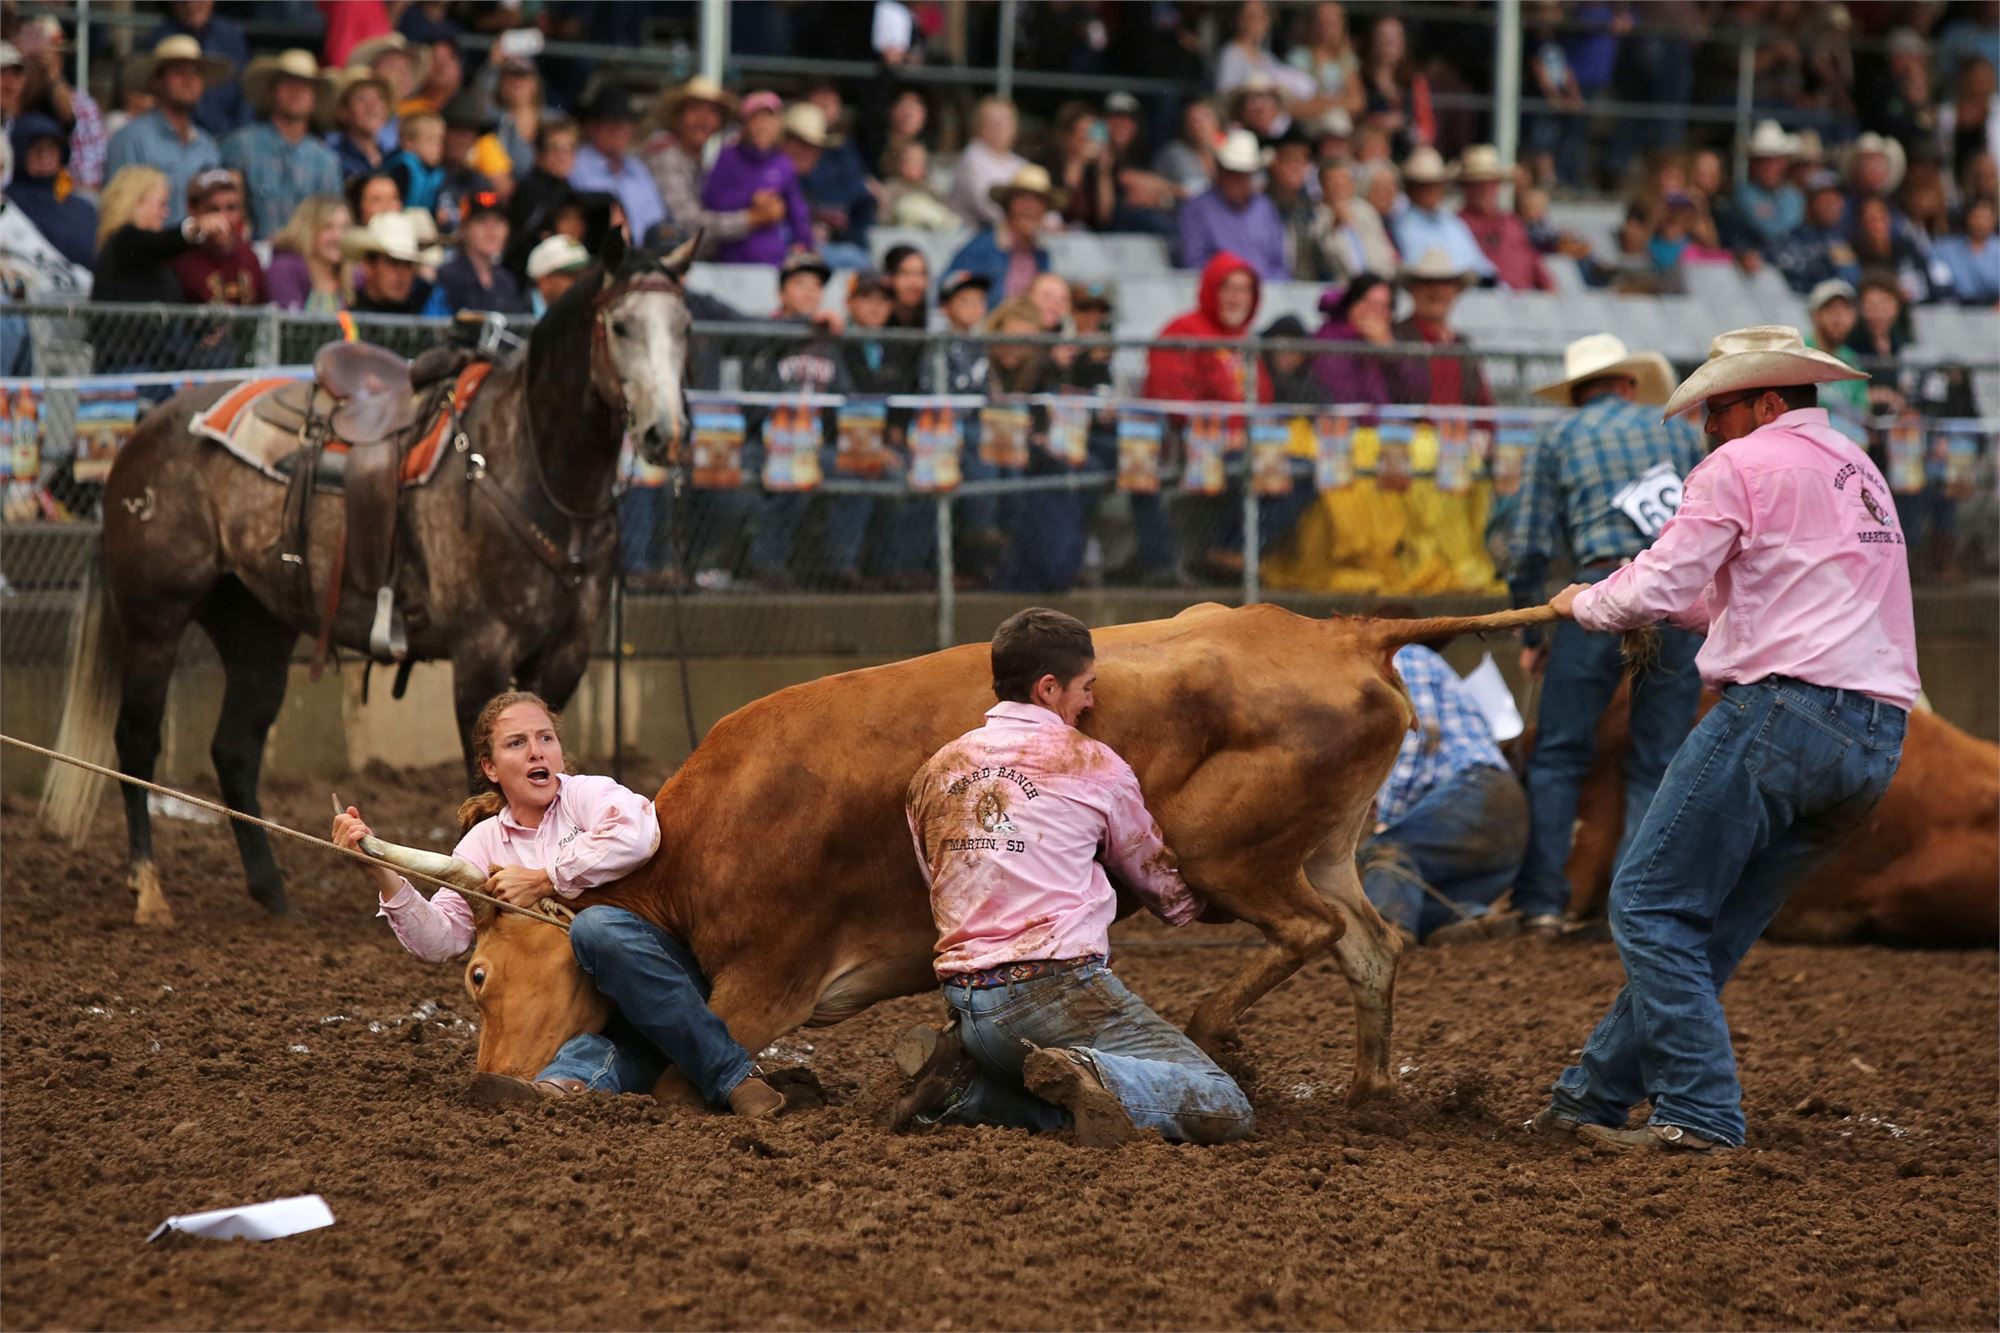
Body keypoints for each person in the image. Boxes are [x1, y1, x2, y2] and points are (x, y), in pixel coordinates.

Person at [1527, 326, 1912, 1154]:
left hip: (1783, 713)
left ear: (1767, 401)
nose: (1707, 425)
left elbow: (1665, 579)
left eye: (1719, 407)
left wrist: (1584, 603)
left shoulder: (1741, 464)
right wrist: (1640, 598)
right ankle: (1592, 1097)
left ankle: (1700, 1112)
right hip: (1875, 736)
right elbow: (1738, 592)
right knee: (1705, 924)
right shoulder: (1858, 469)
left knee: (1648, 902)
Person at [893, 608, 1254, 1145]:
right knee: (1226, 1104)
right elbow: (1154, 875)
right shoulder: (1093, 764)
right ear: (1048, 688)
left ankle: (963, 1095)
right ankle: (1085, 1067)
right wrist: (1201, 904)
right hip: (1055, 993)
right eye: (1086, 687)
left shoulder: (936, 771)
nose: (1091, 702)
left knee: (1077, 1104)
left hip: (969, 1002)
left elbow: (937, 877)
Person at [333, 690, 785, 1117]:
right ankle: (558, 1087)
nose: (537, 752)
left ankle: (732, 1077)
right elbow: (441, 941)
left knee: (596, 929)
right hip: (592, 1012)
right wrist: (379, 870)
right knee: (585, 1052)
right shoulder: (484, 842)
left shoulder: (586, 796)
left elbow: (638, 834)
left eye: (545, 738)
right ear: (491, 768)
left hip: (663, 978)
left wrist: (545, 879)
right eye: (517, 743)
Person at [1506, 333, 1703, 937]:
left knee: (1559, 754)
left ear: (1576, 394)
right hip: (1672, 592)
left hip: (1599, 591)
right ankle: (1632, 906)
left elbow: (1528, 545)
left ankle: (1543, 901)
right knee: (1657, 759)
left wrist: (1531, 633)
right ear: (1627, 384)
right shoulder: (1677, 432)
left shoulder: (1558, 438)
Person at [1360, 637, 1526, 946]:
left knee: (1386, 851)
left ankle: (1384, 935)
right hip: (1504, 810)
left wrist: (1388, 823)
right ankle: (1467, 917)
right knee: (1410, 895)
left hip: (1476, 790)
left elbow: (1420, 734)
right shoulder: (1441, 675)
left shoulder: (1403, 656)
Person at [740, 251, 856, 589]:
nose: (809, 292)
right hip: (766, 441)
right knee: (791, 467)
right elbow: (753, 405)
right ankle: (768, 564)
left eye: (816, 286)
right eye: (800, 283)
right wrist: (805, 326)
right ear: (781, 292)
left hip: (817, 443)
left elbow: (845, 397)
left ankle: (840, 567)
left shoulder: (827, 340)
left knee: (860, 468)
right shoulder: (763, 331)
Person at [641, 77, 772, 260]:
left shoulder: (698, 159)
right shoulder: (667, 156)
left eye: (712, 111)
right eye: (695, 109)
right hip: (666, 262)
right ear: (678, 115)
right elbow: (687, 223)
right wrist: (752, 218)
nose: (704, 119)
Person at [104, 37, 227, 224]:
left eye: (196, 73)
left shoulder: (207, 145)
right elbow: (119, 214)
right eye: (179, 73)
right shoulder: (131, 139)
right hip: (150, 243)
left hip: (198, 242)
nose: (189, 81)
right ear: (157, 81)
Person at [222, 50, 343, 241]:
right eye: (288, 83)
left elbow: (333, 221)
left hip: (307, 257)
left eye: (305, 86)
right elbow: (226, 211)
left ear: (314, 98)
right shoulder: (240, 145)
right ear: (270, 91)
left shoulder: (327, 159)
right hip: (254, 253)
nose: (296, 91)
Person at [703, 91, 813, 267]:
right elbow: (712, 199)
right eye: (756, 119)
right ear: (745, 125)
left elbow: (796, 208)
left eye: (769, 119)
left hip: (775, 259)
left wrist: (804, 243)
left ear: (778, 125)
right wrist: (750, 199)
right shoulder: (728, 157)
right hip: (732, 259)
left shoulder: (782, 162)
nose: (763, 126)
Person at [90, 164, 223, 306]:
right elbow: (158, 243)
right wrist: (195, 228)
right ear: (135, 203)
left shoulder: (153, 253)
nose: (166, 212)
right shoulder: (123, 241)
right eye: (161, 204)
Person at [1176, 130, 1286, 280]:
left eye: (1244, 172)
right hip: (1220, 290)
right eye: (1232, 171)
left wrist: (1265, 287)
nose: (1238, 178)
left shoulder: (1265, 208)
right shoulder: (1195, 210)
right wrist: (1235, 284)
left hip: (1267, 289)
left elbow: (1279, 264)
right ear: (1220, 172)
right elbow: (1193, 263)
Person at [943, 164, 1057, 310]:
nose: (1030, 207)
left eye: (1038, 201)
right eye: (1022, 199)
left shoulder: (1042, 256)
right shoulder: (981, 247)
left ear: (1045, 211)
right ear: (1008, 204)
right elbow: (947, 289)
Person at [1390, 248, 1493, 408]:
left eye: (1445, 284)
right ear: (1413, 290)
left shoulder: (1462, 344)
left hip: (1462, 424)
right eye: (1427, 283)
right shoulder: (1394, 337)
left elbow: (1483, 401)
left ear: (1456, 292)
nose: (1436, 291)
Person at [568, 85, 665, 244]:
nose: (618, 131)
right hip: (598, 251)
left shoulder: (637, 168)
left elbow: (658, 219)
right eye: (610, 123)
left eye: (624, 124)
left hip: (647, 252)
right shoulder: (575, 164)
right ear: (591, 127)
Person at [797, 83, 876, 268]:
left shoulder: (844, 146)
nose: (826, 107)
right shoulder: (788, 154)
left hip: (842, 238)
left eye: (831, 102)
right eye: (820, 101)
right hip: (802, 238)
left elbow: (858, 192)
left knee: (863, 263)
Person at [144, 0, 249, 138]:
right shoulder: (160, 40)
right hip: (177, 137)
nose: (191, 4)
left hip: (229, 135)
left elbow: (245, 94)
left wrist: (241, 134)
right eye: (179, 72)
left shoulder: (231, 35)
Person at [1390, 146, 1495, 285]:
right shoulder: (1403, 225)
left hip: (1473, 288)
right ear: (1411, 188)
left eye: (1437, 184)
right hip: (1436, 288)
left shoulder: (1453, 222)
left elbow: (1483, 266)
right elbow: (1422, 269)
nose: (1433, 190)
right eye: (1426, 185)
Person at [1456, 144, 1551, 291]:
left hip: (1524, 300)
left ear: (1497, 185)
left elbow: (1535, 264)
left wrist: (1550, 289)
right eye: (1477, 184)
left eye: (1491, 183)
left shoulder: (1513, 222)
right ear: (1465, 187)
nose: (1485, 189)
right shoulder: (1456, 225)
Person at [7, 114, 96, 268]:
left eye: (51, 147)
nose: (44, 155)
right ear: (19, 153)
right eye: (35, 148)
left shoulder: (82, 206)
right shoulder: (8, 203)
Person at [169, 169, 266, 307]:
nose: (223, 218)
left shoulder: (249, 257)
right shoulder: (180, 260)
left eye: (231, 208)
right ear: (193, 211)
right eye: (214, 210)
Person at [1312, 272, 1404, 405]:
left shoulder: (1390, 339)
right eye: (1368, 302)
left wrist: (1391, 352)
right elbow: (1344, 396)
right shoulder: (1330, 339)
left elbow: (1414, 392)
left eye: (1383, 306)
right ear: (1352, 304)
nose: (1374, 312)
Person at [434, 189, 526, 314]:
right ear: (464, 229)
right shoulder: (446, 277)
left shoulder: (507, 281)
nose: (491, 229)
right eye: (481, 221)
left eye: (499, 221)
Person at [1801, 278, 1870, 443]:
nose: (1839, 319)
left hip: (1843, 443)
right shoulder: (1799, 353)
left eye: (1846, 311)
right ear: (1814, 315)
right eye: (1831, 310)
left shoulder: (1853, 360)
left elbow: (1862, 411)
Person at [1772, 169, 1862, 294]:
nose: (1832, 206)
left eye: (1837, 199)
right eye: (1826, 200)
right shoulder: (1788, 239)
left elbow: (1852, 281)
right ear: (1809, 203)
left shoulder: (1839, 239)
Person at [1309, 156, 1397, 282]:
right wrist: (1336, 225)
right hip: (1340, 284)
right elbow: (1326, 258)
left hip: (1377, 279)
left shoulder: (1365, 209)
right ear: (1323, 186)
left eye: (1344, 181)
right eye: (1334, 182)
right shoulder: (1317, 216)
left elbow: (1382, 249)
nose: (1340, 187)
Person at [946, 96, 1025, 229]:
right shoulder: (972, 157)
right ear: (979, 126)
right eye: (992, 122)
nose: (999, 127)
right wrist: (1023, 222)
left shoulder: (1019, 164)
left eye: (1005, 121)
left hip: (1010, 231)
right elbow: (984, 205)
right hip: (972, 233)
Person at [1729, 120, 1804, 258]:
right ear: (1753, 164)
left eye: (1774, 160)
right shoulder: (1743, 194)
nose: (1768, 166)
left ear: (1784, 163)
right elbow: (1770, 231)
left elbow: (1792, 230)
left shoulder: (1793, 195)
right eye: (1762, 160)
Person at [343, 207, 439, 314]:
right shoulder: (349, 320)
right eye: (392, 262)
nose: (401, 274)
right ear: (368, 266)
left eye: (408, 264)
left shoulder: (426, 315)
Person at [266, 193, 351, 313]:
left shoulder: (354, 275)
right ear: (307, 230)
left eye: (345, 228)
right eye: (328, 227)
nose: (339, 236)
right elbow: (291, 322)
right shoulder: (284, 270)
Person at [328, 64, 392, 180]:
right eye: (361, 98)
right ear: (343, 111)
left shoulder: (391, 157)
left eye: (379, 98)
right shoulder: (331, 154)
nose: (373, 106)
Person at [1933, 196, 2000, 305]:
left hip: (1994, 309)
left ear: (1994, 220)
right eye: (1976, 217)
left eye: (1986, 218)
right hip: (1954, 307)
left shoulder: (1997, 248)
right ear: (1966, 219)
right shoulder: (1945, 249)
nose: (1981, 223)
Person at [880, 138, 956, 231]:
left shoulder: (928, 187)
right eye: (913, 161)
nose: (920, 165)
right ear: (898, 163)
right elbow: (884, 218)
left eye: (923, 161)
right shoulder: (891, 188)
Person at [1153, 99, 1221, 201]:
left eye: (1206, 117)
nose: (1201, 125)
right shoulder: (1173, 154)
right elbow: (1152, 185)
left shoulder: (1226, 152)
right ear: (1186, 128)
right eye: (1194, 120)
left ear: (1217, 123)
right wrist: (1173, 189)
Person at [385, 110, 446, 218]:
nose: (438, 147)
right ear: (408, 143)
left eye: (440, 141)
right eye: (430, 141)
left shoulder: (438, 172)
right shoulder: (402, 167)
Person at [525, 231, 591, 315]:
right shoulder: (516, 314)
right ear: (544, 280)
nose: (582, 281)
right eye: (572, 275)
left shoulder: (590, 314)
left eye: (585, 274)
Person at [881, 243, 930, 329]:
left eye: (922, 273)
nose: (915, 282)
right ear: (888, 278)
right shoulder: (874, 321)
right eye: (906, 273)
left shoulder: (932, 323)